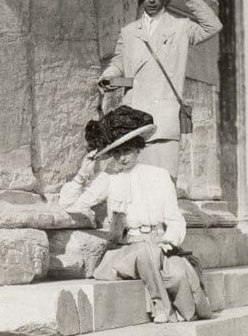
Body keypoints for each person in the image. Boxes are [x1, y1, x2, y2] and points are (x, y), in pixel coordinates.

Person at [58, 106, 212, 323]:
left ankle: (188, 311)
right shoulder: (109, 177)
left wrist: (168, 241)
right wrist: (83, 174)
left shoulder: (159, 176)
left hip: (160, 247)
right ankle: (162, 308)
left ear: (139, 148)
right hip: (126, 251)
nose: (122, 159)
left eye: (127, 151)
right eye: (117, 153)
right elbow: (69, 205)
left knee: (177, 276)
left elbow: (175, 220)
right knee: (143, 252)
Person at [98, 0, 222, 183]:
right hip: (134, 122)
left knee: (163, 188)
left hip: (164, 121)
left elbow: (212, 25)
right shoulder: (129, 32)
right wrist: (109, 75)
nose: (152, 0)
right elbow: (119, 62)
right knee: (135, 189)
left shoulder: (182, 28)